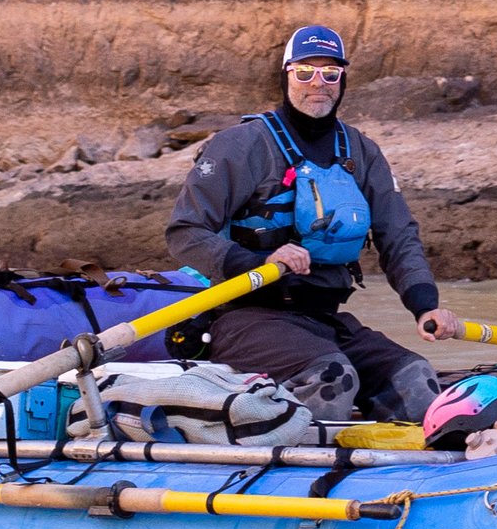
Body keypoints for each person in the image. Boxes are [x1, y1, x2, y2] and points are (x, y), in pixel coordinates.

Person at [165, 25, 450, 420]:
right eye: (305, 72)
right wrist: (258, 263)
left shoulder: (361, 151)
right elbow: (185, 232)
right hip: (245, 319)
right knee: (331, 377)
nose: (319, 83)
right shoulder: (240, 145)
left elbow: (398, 235)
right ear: (286, 76)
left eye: (330, 73)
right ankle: (303, 469)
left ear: (342, 80)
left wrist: (425, 306)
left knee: (416, 377)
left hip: (323, 319)